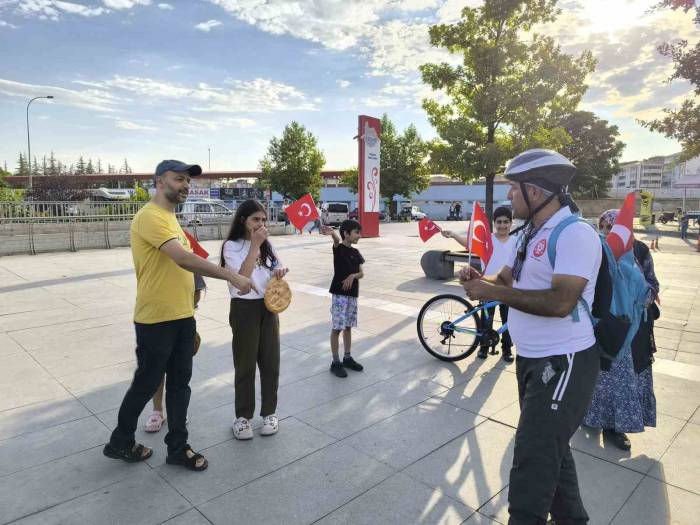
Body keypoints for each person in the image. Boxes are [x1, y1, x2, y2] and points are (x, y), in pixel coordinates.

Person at [460, 149, 601, 525]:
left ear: (535, 191)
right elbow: (506, 280)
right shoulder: (531, 233)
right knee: (551, 451)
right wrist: (481, 282)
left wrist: (495, 294)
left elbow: (560, 302)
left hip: (565, 361)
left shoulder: (575, 235)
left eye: (512, 189)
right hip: (533, 359)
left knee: (532, 461)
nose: (509, 196)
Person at [103, 160, 255, 472]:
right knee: (146, 384)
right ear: (159, 181)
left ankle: (177, 447)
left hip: (182, 317)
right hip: (156, 319)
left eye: (188, 180)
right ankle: (120, 441)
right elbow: (183, 260)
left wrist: (192, 312)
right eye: (178, 179)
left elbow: (188, 267)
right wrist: (231, 276)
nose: (185, 185)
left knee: (180, 385)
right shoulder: (150, 217)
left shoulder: (173, 220)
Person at [582, 209, 659, 450]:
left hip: (629, 329)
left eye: (613, 229)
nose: (607, 233)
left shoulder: (639, 251)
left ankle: (615, 427)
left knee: (623, 379)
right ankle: (591, 418)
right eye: (604, 228)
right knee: (596, 377)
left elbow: (653, 284)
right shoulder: (594, 250)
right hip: (597, 324)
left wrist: (635, 291)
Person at [222, 200, 288, 440]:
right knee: (245, 363)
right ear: (243, 221)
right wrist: (254, 247)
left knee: (271, 362)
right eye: (255, 220)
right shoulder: (231, 246)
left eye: (263, 219)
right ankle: (243, 417)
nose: (261, 224)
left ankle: (270, 412)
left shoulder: (268, 245)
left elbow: (278, 268)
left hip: (268, 307)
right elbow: (241, 279)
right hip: (244, 308)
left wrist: (280, 271)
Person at [442, 206, 517, 361]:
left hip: (509, 288)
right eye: (499, 222)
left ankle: (506, 349)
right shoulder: (487, 239)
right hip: (487, 287)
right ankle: (483, 348)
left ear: (511, 223)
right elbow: (468, 243)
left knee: (509, 321)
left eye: (506, 222)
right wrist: (453, 234)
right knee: (485, 321)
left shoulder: (517, 242)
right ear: (494, 223)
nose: (502, 225)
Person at [321, 220, 365, 378]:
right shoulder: (338, 249)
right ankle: (335, 362)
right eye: (356, 232)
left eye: (359, 232)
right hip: (339, 295)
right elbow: (336, 240)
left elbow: (361, 273)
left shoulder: (356, 252)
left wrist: (352, 276)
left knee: (348, 327)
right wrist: (332, 232)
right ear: (346, 233)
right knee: (337, 328)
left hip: (352, 295)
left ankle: (347, 357)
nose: (359, 235)